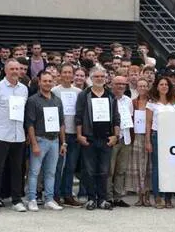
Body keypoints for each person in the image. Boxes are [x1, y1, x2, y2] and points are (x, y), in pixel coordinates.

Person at [0, 60, 30, 213]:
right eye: (12, 69)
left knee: (18, 169)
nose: (15, 71)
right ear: (5, 70)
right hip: (2, 134)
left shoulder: (24, 89)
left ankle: (16, 199)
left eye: (17, 68)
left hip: (19, 136)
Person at [76, 66, 121, 211]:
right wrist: (79, 135)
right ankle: (91, 199)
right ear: (90, 78)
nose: (100, 79)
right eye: (96, 77)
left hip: (106, 138)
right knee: (89, 170)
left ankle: (102, 199)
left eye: (102, 76)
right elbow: (78, 117)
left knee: (104, 170)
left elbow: (116, 117)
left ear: (106, 78)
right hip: (89, 138)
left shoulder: (110, 95)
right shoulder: (84, 95)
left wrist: (115, 135)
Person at [22, 70, 66, 212]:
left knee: (51, 172)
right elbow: (30, 124)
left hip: (54, 141)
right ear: (39, 82)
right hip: (40, 139)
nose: (47, 83)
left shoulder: (57, 100)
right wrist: (34, 144)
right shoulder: (33, 100)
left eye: (50, 81)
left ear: (53, 82)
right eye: (45, 81)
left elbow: (61, 123)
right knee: (34, 172)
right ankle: (32, 199)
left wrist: (63, 142)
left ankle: (49, 199)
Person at [145, 76, 175, 208]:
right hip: (157, 135)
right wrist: (148, 141)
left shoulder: (173, 102)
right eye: (161, 84)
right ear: (157, 87)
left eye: (166, 84)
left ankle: (168, 197)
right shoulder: (151, 103)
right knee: (157, 167)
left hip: (171, 137)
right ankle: (158, 197)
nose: (164, 86)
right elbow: (148, 123)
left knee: (170, 167)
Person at [53, 64, 83, 207]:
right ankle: (56, 195)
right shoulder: (54, 91)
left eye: (69, 72)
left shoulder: (78, 92)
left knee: (70, 166)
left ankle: (68, 194)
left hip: (74, 133)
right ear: (60, 74)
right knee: (58, 166)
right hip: (59, 134)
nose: (67, 75)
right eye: (64, 72)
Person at [109, 75, 135, 208]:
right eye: (118, 84)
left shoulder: (128, 100)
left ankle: (118, 197)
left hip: (126, 138)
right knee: (110, 170)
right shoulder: (108, 99)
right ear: (112, 84)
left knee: (121, 170)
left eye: (123, 84)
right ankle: (108, 197)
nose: (120, 86)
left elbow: (130, 117)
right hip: (113, 138)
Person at [128, 78, 152, 206]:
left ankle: (147, 194)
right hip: (136, 136)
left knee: (148, 165)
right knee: (137, 165)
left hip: (148, 135)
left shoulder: (152, 102)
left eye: (144, 86)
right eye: (140, 86)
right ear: (136, 88)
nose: (142, 88)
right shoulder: (133, 102)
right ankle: (139, 195)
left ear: (148, 87)